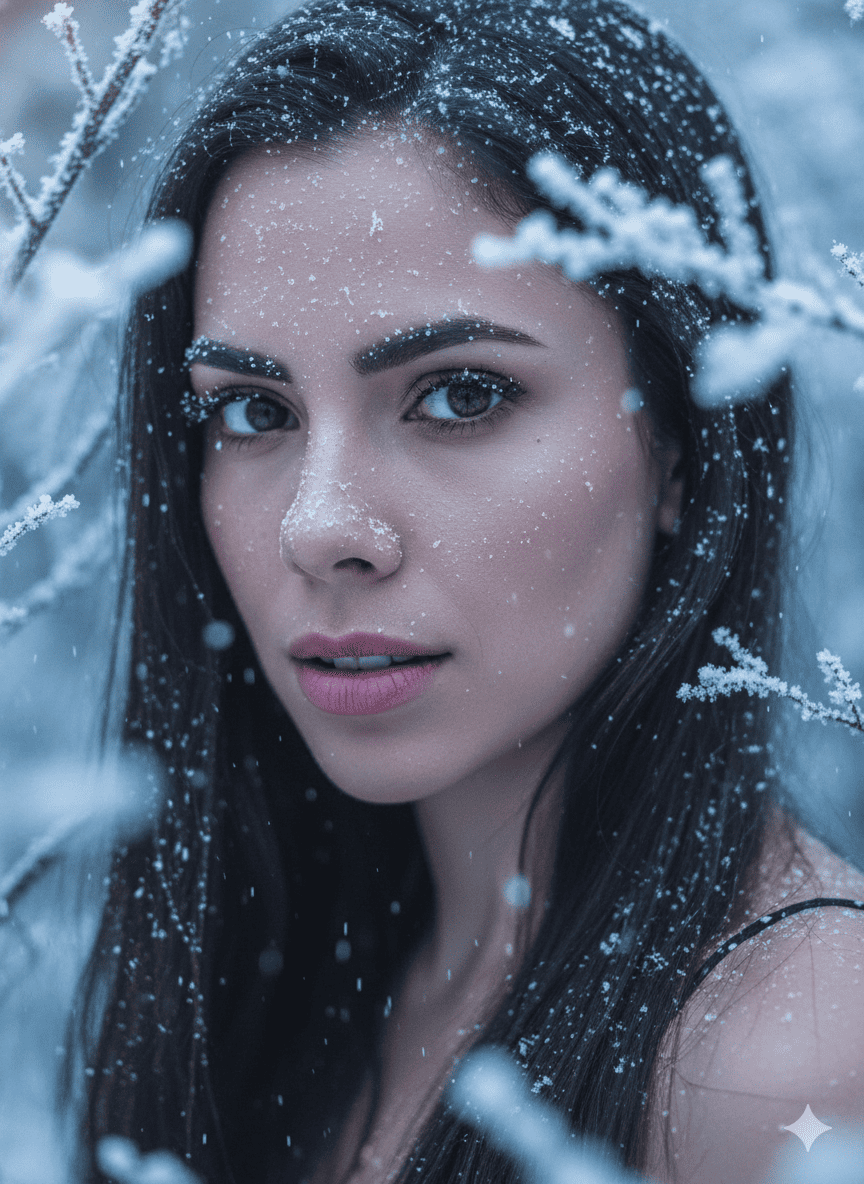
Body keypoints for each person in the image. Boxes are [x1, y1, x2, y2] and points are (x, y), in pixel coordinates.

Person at [70, 1, 864, 1181]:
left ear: (685, 449)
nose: (322, 525)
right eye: (253, 409)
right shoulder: (297, 974)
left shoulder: (792, 1054)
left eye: (462, 396)